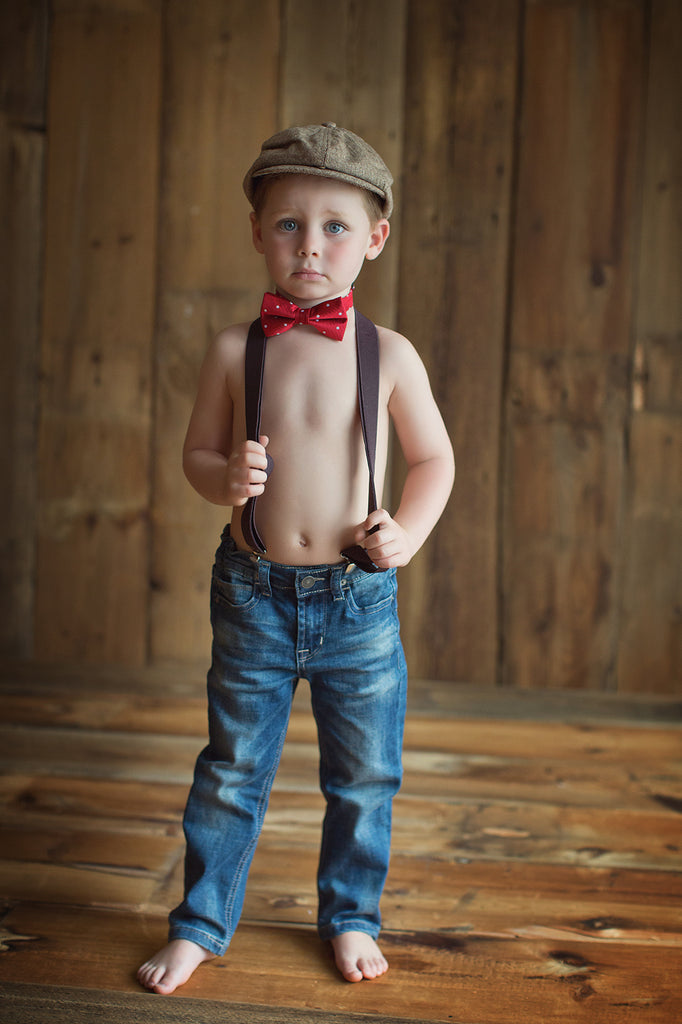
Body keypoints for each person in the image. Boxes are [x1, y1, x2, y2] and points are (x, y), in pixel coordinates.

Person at [137, 122, 454, 994]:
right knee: (233, 768)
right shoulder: (238, 350)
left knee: (364, 775)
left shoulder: (387, 354)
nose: (310, 245)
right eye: (287, 224)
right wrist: (223, 475)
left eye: (335, 226)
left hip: (356, 600)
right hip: (253, 593)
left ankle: (350, 914)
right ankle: (201, 922)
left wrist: (409, 534)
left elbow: (434, 460)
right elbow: (198, 457)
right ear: (256, 231)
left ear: (375, 239)